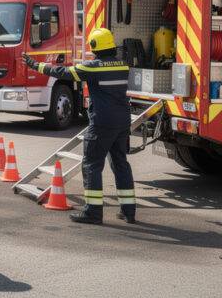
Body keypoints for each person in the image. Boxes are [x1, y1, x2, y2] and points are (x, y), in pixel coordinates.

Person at [22, 27, 136, 224]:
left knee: (91, 164)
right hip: (122, 122)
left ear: (95, 47)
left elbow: (63, 72)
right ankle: (128, 211)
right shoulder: (122, 65)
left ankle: (93, 212)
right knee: (121, 164)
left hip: (102, 123)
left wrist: (35, 65)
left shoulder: (93, 67)